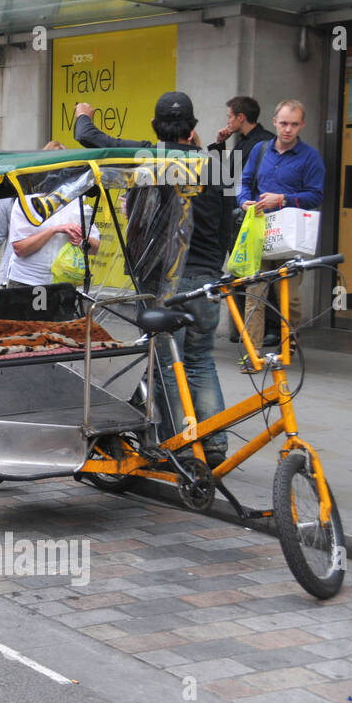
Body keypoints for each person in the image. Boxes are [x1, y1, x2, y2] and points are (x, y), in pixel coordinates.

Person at [74, 91, 227, 465]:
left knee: (167, 365)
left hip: (168, 283)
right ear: (192, 129)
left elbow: (93, 138)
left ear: (156, 127)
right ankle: (215, 442)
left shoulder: (152, 156)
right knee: (201, 359)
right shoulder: (216, 167)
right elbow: (228, 226)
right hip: (208, 279)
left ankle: (181, 445)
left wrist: (83, 113)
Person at [237, 98, 325, 348]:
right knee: (255, 293)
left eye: (294, 125)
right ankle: (251, 354)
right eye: (284, 123)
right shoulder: (260, 150)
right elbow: (243, 183)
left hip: (290, 233)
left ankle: (289, 341)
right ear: (275, 122)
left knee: (290, 297)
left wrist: (283, 199)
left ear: (302, 125)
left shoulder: (310, 157)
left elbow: (316, 195)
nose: (288, 129)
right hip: (260, 228)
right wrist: (244, 202)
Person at [207, 97, 273, 343]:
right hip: (239, 216)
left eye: (229, 117)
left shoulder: (263, 142)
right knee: (239, 268)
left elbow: (241, 180)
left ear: (240, 117)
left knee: (256, 272)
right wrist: (219, 144)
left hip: (254, 216)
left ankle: (268, 329)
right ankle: (241, 328)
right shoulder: (243, 142)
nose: (227, 121)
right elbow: (225, 176)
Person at [0, 140, 65, 285]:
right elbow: (3, 234)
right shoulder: (20, 199)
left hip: (57, 277)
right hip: (23, 275)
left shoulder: (69, 199)